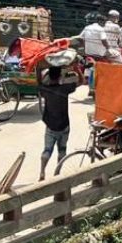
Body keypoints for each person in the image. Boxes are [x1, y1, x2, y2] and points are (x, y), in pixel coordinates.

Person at [38, 50, 79, 181]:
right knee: (62, 150)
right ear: (60, 77)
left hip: (50, 126)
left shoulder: (45, 89)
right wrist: (76, 69)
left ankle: (42, 172)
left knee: (47, 150)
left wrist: (37, 68)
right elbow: (82, 81)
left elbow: (38, 80)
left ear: (48, 76)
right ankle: (57, 172)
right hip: (64, 125)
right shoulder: (65, 89)